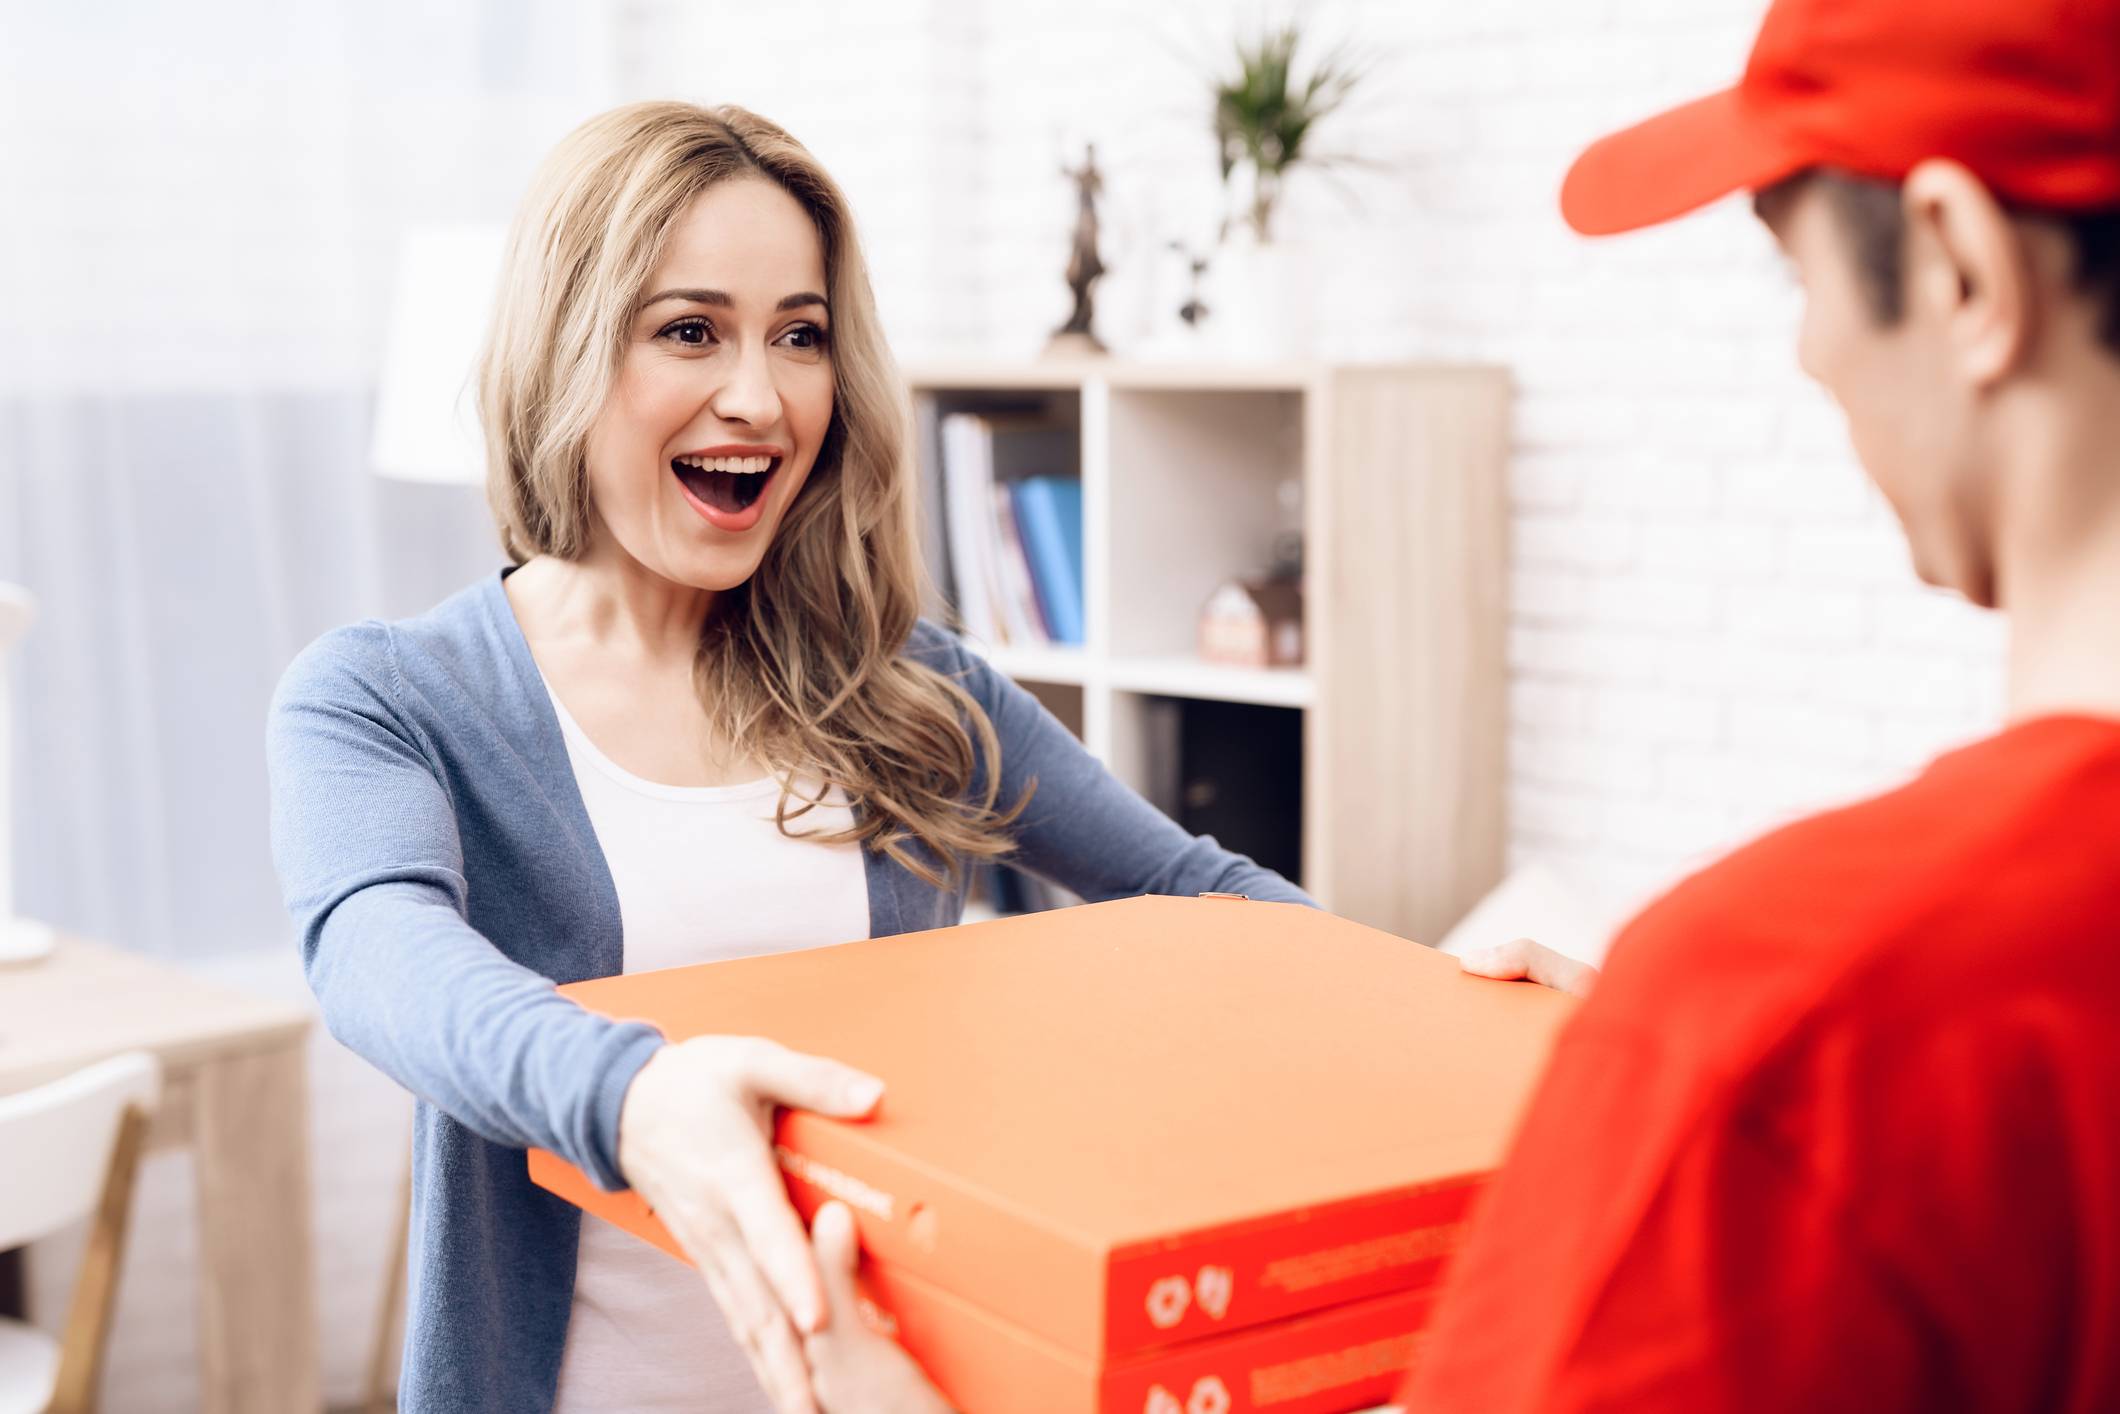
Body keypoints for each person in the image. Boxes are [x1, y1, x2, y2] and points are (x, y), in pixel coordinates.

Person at [264, 101, 1318, 1414]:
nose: (760, 397)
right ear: (567, 349)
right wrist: (633, 1091)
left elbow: (1202, 892)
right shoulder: (387, 697)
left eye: (800, 335)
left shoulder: (914, 690)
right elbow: (375, 949)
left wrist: (1462, 997)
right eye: (689, 328)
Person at [1395, 0, 2120, 1407]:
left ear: (1965, 271)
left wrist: (1722, 1092)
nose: (1808, 357)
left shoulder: (1804, 1012)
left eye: (1802, 280)